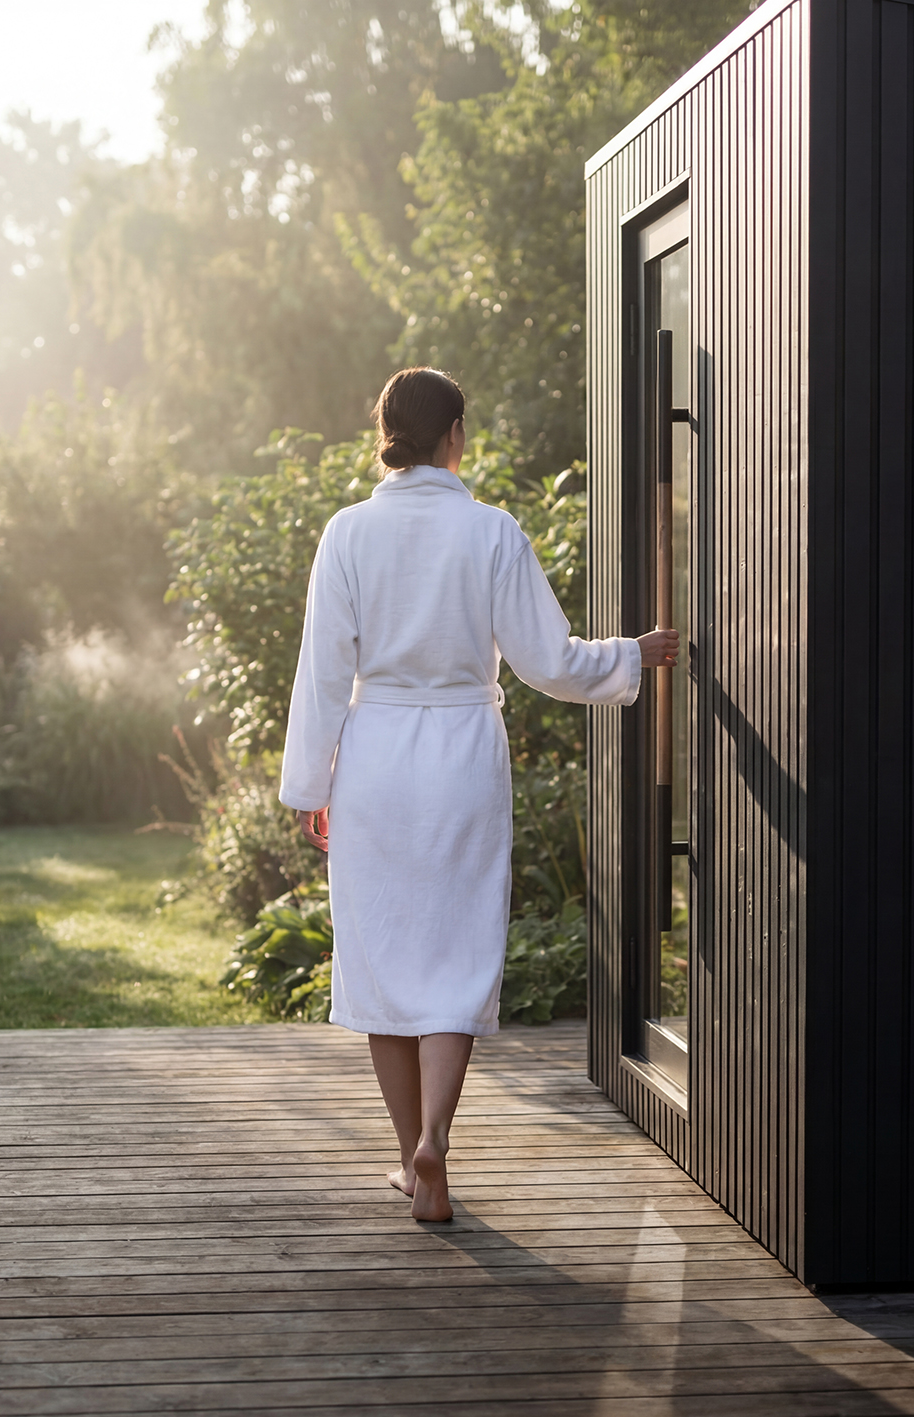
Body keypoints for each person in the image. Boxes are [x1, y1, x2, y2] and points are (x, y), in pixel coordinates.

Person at [279, 367, 679, 1221]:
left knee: (384, 958)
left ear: (384, 432)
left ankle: (408, 1162)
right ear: (455, 434)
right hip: (462, 755)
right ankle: (437, 1137)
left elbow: (322, 674)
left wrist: (313, 783)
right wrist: (629, 654)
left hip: (375, 759)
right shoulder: (490, 530)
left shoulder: (346, 533)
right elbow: (546, 660)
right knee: (455, 954)